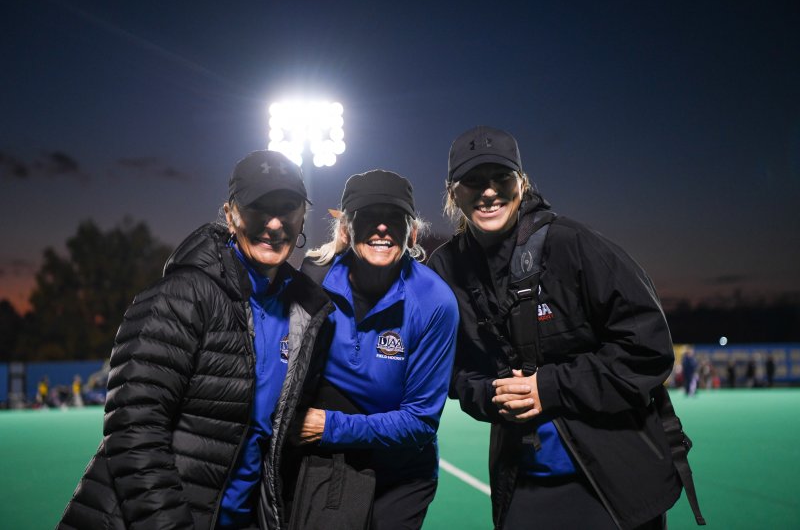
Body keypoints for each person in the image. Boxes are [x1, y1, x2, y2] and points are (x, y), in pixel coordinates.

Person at [428, 126, 698, 529]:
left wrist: (549, 387)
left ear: (521, 182)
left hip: (615, 481)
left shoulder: (573, 245)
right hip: (523, 480)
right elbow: (448, 368)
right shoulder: (445, 269)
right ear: (453, 192)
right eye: (473, 181)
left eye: (500, 177)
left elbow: (649, 349)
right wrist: (487, 393)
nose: (488, 191)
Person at [59, 150, 333, 529]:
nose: (274, 223)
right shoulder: (181, 296)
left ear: (303, 215)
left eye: (287, 207)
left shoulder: (308, 312)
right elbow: (134, 431)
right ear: (230, 214)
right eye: (258, 207)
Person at [295, 170, 459, 529]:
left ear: (412, 232)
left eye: (394, 218)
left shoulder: (435, 302)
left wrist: (329, 427)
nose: (382, 228)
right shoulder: (314, 280)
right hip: (330, 460)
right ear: (346, 229)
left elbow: (419, 423)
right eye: (369, 216)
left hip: (400, 472)